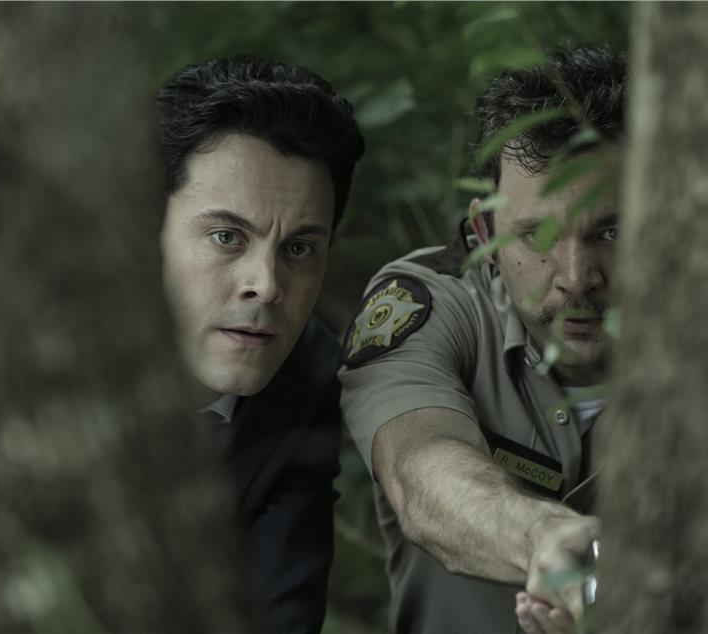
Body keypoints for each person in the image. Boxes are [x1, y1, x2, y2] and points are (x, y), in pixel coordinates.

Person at [339, 46, 625, 634]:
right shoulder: (431, 301)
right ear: (484, 230)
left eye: (611, 231)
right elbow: (420, 468)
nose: (577, 278)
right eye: (536, 237)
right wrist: (544, 537)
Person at [155, 56, 365, 634]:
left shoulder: (309, 375)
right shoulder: (31, 354)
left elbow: (283, 613)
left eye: (299, 249)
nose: (267, 286)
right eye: (227, 236)